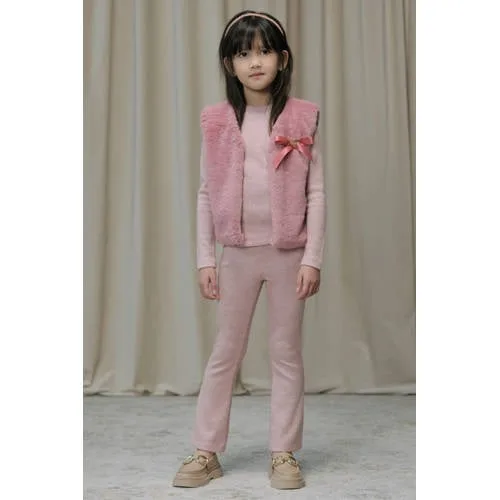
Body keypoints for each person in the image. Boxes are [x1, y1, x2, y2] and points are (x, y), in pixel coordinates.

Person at [173, 9, 326, 490]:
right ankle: (206, 451)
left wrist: (312, 257)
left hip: (287, 255)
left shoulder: (300, 117)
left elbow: (316, 193)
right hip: (237, 255)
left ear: (283, 59)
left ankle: (284, 453)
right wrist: (205, 258)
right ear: (229, 64)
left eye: (264, 52)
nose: (254, 62)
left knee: (286, 353)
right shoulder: (218, 121)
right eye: (243, 54)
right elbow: (205, 193)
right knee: (225, 352)